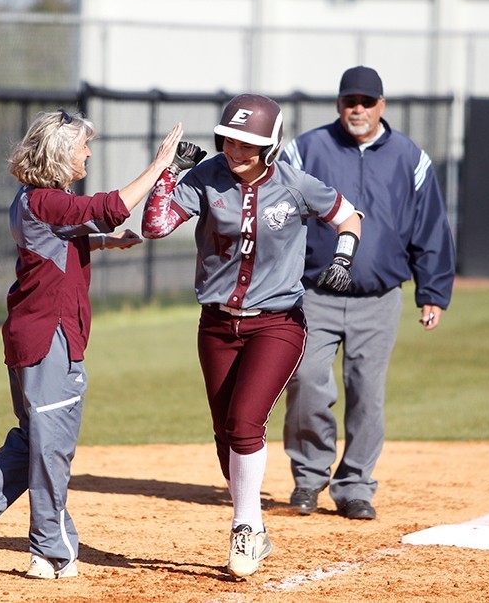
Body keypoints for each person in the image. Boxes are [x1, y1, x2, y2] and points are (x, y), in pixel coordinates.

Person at [0, 109, 184, 580]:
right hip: (50, 338)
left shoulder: (33, 201)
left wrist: (107, 243)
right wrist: (158, 167)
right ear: (59, 155)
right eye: (81, 146)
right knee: (52, 447)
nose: (88, 152)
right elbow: (107, 207)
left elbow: (69, 235)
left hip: (32, 335)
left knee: (34, 441)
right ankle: (48, 550)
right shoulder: (46, 201)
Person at [142, 93, 363, 578]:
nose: (235, 151)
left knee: (245, 421)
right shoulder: (205, 177)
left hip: (277, 322)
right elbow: (155, 225)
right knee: (226, 435)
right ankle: (254, 527)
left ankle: (246, 528)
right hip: (217, 325)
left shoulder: (294, 183)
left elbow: (349, 214)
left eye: (248, 144)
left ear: (270, 145)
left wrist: (343, 256)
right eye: (229, 141)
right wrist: (169, 174)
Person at [281, 65, 455, 521]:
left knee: (366, 393)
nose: (358, 109)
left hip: (378, 300)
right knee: (305, 383)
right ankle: (308, 478)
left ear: (382, 105)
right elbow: (277, 214)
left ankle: (355, 485)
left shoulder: (409, 157)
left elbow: (430, 226)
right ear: (339, 104)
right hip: (312, 295)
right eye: (349, 101)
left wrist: (432, 290)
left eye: (367, 101)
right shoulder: (306, 149)